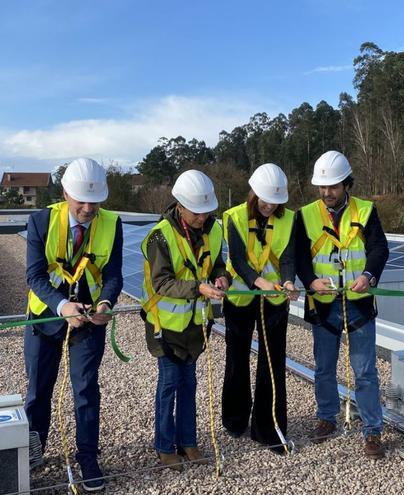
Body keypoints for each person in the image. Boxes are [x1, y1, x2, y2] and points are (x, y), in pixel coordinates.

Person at [24, 158, 123, 491]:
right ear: (65, 192)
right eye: (80, 200)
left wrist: (107, 303)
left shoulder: (112, 223)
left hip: (90, 319)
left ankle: (88, 457)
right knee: (39, 389)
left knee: (85, 389)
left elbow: (113, 275)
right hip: (46, 318)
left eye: (94, 201)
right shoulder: (41, 221)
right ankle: (32, 451)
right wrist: (62, 305)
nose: (87, 207)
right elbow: (35, 276)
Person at [293, 150, 390, 459]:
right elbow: (299, 256)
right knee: (323, 368)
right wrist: (310, 282)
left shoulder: (365, 210)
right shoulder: (306, 215)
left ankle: (372, 431)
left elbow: (379, 248)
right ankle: (326, 418)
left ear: (347, 184)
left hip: (359, 303)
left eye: (333, 186)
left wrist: (368, 275)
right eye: (322, 187)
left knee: (364, 371)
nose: (327, 193)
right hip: (323, 304)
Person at [140, 169, 229, 471]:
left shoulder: (213, 230)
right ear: (179, 205)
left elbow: (218, 263)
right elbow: (162, 282)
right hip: (164, 327)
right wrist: (198, 288)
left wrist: (221, 278)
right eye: (196, 212)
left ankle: (188, 442)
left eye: (206, 212)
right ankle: (165, 447)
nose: (202, 218)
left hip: (195, 326)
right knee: (169, 386)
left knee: (189, 385)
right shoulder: (160, 237)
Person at [221, 163, 298, 453]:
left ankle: (269, 429)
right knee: (236, 359)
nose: (269, 205)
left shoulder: (289, 219)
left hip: (275, 300)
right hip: (241, 297)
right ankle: (235, 419)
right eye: (265, 199)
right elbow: (238, 260)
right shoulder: (234, 217)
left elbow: (289, 257)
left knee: (273, 362)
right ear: (253, 193)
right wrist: (258, 282)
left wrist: (288, 281)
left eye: (275, 201)